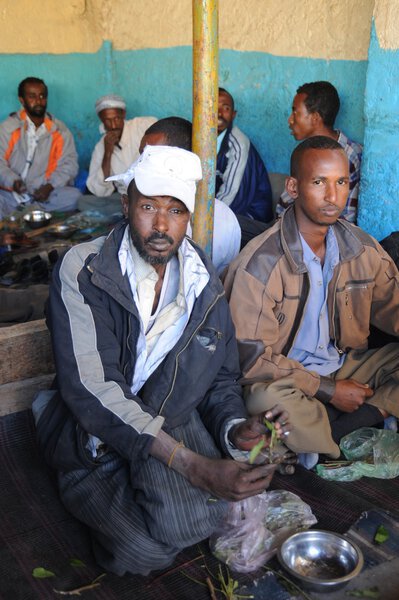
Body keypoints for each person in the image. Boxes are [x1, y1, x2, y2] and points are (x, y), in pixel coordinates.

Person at [34, 144, 291, 576]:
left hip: (164, 419)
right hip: (92, 436)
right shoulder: (84, 269)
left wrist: (237, 430)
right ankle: (82, 482)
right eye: (148, 206)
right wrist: (194, 466)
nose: (160, 225)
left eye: (175, 211)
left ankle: (148, 490)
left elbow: (221, 379)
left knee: (198, 519)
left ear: (188, 217)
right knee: (144, 554)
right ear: (125, 204)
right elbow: (93, 388)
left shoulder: (202, 282)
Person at [224, 136, 399, 465]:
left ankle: (351, 423)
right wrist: (329, 390)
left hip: (346, 366)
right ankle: (345, 435)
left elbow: (394, 307)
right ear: (293, 186)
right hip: (285, 379)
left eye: (342, 182)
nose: (333, 196)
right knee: (264, 400)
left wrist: (339, 385)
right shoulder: (261, 264)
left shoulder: (360, 248)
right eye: (319, 182)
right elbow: (250, 360)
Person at [138, 116, 241, 274]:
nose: (140, 165)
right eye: (141, 156)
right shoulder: (226, 217)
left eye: (150, 157)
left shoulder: (224, 220)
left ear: (181, 159)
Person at [276, 81, 362, 224]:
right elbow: (285, 203)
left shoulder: (349, 155)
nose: (290, 120)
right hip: (287, 227)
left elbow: (345, 220)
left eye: (295, 112)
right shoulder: (305, 151)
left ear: (315, 118)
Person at [0, 77, 81, 220]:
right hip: (10, 195)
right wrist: (13, 181)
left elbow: (70, 164)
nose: (38, 101)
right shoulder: (8, 128)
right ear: (22, 100)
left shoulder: (60, 131)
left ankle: (29, 213)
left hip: (42, 196)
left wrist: (50, 186)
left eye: (42, 96)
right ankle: (31, 215)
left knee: (75, 197)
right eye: (32, 96)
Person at [81, 94, 156, 215]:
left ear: (124, 115)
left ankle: (132, 213)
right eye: (108, 121)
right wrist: (108, 152)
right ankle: (131, 212)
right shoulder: (100, 147)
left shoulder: (141, 126)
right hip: (126, 197)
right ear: (101, 120)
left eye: (116, 118)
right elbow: (99, 191)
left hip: (153, 192)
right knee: (83, 202)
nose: (113, 125)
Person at [216, 88, 273, 225]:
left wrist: (203, 217)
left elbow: (231, 196)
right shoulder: (200, 139)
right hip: (224, 208)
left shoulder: (238, 144)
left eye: (226, 108)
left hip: (251, 215)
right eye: (213, 106)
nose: (219, 113)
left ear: (233, 114)